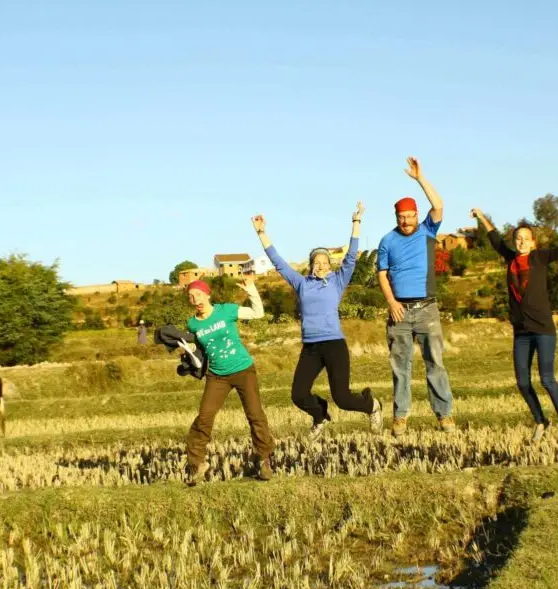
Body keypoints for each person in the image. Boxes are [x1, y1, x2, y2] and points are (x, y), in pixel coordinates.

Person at [472, 209, 558, 446]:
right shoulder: (510, 259)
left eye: (526, 238)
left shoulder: (540, 258)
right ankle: (540, 421)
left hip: (543, 329)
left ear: (533, 242)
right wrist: (482, 218)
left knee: (547, 379)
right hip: (521, 331)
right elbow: (495, 238)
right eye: (518, 238)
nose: (522, 242)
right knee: (523, 383)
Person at [251, 203, 384, 440]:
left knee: (342, 398)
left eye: (325, 262)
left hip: (334, 344)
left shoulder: (337, 281)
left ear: (330, 266)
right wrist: (262, 233)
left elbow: (351, 258)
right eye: (316, 262)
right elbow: (279, 263)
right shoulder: (302, 283)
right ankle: (320, 415)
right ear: (311, 265)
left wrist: (356, 224)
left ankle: (372, 406)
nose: (321, 265)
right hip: (311, 347)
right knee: (298, 395)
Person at [376, 156, 454, 436]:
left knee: (435, 364)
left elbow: (439, 205)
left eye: (410, 216)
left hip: (427, 310)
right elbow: (382, 274)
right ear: (396, 217)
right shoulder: (387, 241)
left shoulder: (427, 231)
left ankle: (444, 415)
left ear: (415, 215)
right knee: (400, 367)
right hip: (400, 312)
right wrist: (391, 302)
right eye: (402, 217)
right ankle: (400, 418)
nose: (406, 221)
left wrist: (420, 178)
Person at [183, 278, 275, 486]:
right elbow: (200, 351)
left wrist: (251, 290)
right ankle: (197, 464)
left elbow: (257, 313)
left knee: (255, 414)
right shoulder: (193, 323)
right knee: (204, 418)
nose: (195, 298)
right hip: (216, 376)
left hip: (243, 369)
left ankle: (263, 459)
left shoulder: (226, 310)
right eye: (191, 296)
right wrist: (189, 360)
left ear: (207, 295)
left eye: (198, 294)